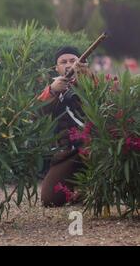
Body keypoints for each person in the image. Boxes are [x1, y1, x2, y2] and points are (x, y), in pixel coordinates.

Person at [38, 46, 95, 207]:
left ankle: (96, 188)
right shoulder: (52, 88)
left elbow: (106, 101)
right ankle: (80, 192)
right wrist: (52, 91)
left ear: (82, 62)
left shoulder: (91, 79)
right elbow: (36, 114)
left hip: (95, 147)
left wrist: (86, 77)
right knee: (50, 199)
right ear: (57, 68)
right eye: (63, 62)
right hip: (68, 152)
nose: (68, 64)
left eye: (73, 60)